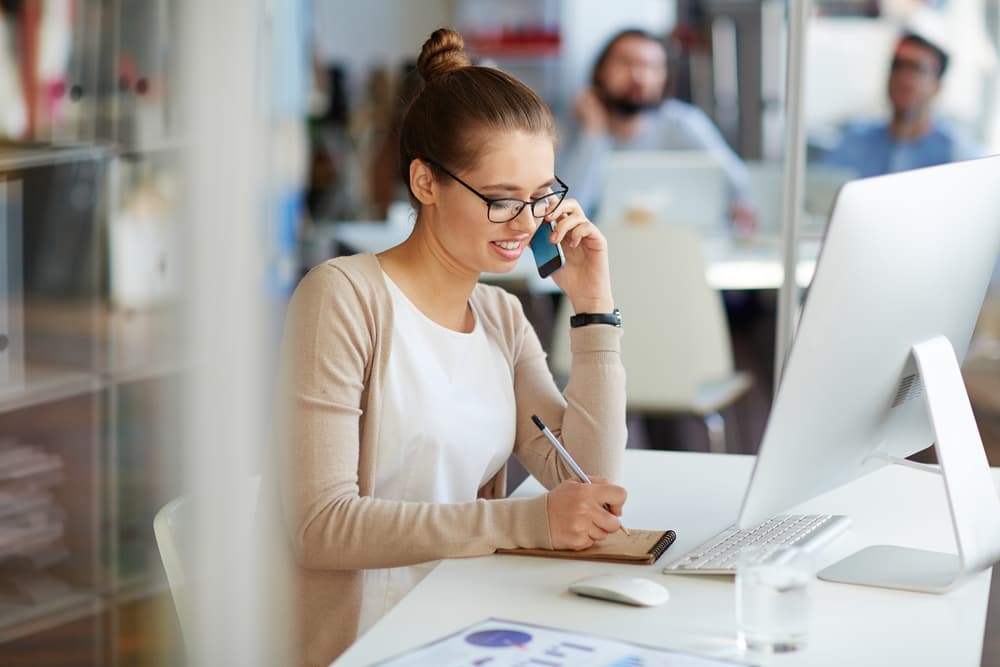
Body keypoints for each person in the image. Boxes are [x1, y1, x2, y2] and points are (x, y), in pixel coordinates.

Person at [259, 28, 629, 667]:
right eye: (501, 200)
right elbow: (320, 527)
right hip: (359, 648)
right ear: (426, 182)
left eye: (542, 197)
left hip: (464, 632)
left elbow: (589, 481)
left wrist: (593, 307)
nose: (528, 224)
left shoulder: (499, 316)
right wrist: (524, 522)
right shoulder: (343, 298)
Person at [559, 28, 755, 230]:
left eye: (651, 67)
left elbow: (738, 186)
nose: (638, 76)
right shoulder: (574, 128)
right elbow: (564, 210)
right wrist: (593, 134)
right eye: (625, 63)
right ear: (601, 71)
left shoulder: (684, 123)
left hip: (677, 245)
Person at [820, 31, 981, 178]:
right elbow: (820, 196)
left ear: (937, 86)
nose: (903, 77)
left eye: (916, 69)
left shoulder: (959, 157)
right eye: (897, 66)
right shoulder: (854, 141)